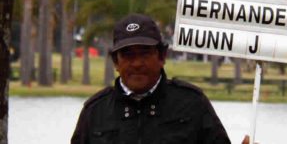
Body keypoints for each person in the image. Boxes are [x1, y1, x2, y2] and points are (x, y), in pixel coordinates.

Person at [71, 13, 249, 144]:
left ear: (162, 56)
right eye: (128, 55)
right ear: (116, 62)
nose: (137, 63)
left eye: (145, 53)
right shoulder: (95, 112)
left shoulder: (192, 103)